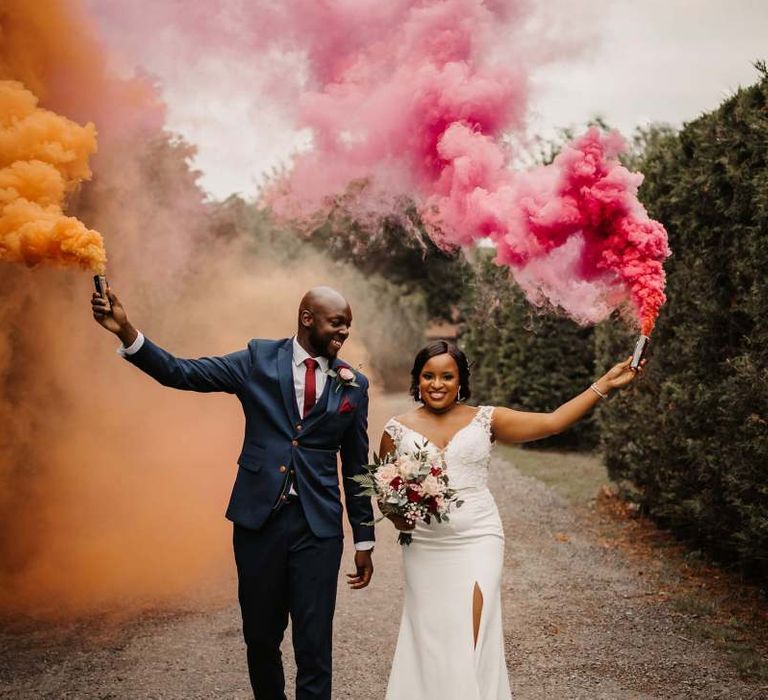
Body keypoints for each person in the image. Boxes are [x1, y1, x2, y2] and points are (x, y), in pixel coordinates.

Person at [91, 285, 375, 700]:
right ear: (307, 318)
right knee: (260, 638)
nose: (344, 332)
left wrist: (364, 537)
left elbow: (356, 466)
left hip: (318, 528)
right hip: (260, 521)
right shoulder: (258, 360)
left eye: (348, 325)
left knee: (314, 645)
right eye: (337, 323)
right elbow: (181, 372)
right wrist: (126, 332)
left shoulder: (354, 384)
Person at [380, 340, 644, 700]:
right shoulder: (396, 430)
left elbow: (552, 423)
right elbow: (386, 495)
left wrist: (605, 384)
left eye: (447, 376)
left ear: (461, 381)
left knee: (474, 627)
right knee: (431, 633)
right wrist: (400, 516)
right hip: (426, 546)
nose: (437, 384)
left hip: (478, 537)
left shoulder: (486, 419)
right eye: (428, 376)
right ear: (417, 380)